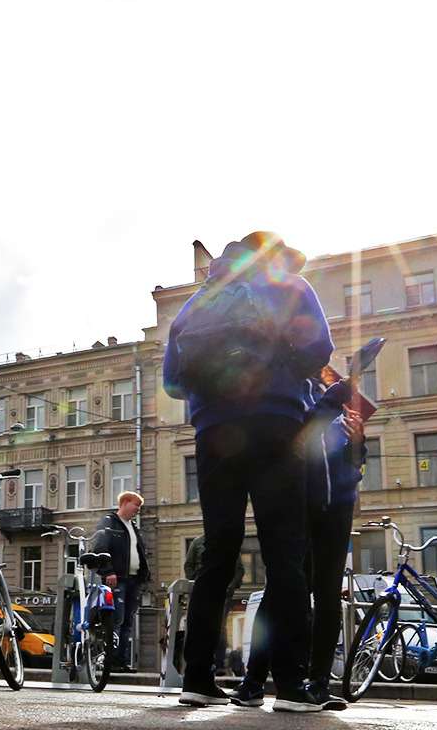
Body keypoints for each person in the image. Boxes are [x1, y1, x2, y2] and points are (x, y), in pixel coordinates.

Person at [164, 231, 333, 712]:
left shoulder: (197, 301)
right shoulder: (289, 285)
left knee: (219, 550)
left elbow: (173, 381)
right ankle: (292, 686)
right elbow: (318, 349)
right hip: (276, 423)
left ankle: (196, 677)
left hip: (214, 432)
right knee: (285, 552)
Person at [231, 375, 367, 711]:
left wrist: (357, 439)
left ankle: (319, 682)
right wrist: (332, 400)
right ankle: (253, 682)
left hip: (338, 508)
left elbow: (355, 462)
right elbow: (297, 439)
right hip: (301, 507)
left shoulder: (335, 408)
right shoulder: (297, 397)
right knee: (280, 591)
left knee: (328, 595)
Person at [92, 491, 151, 671]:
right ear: (125, 503)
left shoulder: (132, 526)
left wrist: (144, 576)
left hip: (134, 580)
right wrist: (108, 571)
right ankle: (110, 661)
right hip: (116, 579)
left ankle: (121, 661)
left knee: (127, 622)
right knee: (115, 620)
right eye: (136, 506)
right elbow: (100, 548)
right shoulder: (108, 522)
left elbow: (140, 552)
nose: (138, 510)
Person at [183, 534, 244, 674]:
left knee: (219, 626)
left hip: (222, 592)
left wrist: (230, 587)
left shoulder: (229, 542)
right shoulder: (197, 542)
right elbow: (188, 566)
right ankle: (199, 664)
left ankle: (219, 664)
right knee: (199, 626)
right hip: (202, 591)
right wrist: (196, 584)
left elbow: (239, 569)